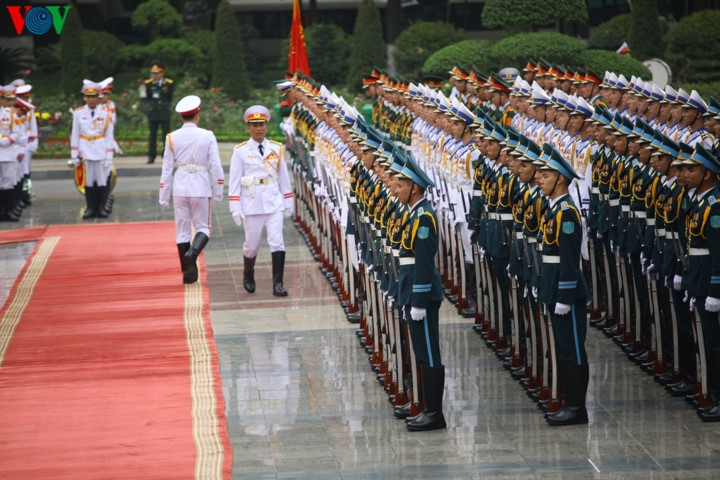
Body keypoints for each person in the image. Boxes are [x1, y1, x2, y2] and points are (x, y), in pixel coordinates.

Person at [535, 146, 590, 426]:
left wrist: (565, 295)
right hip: (554, 285)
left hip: (565, 289)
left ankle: (577, 407)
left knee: (573, 348)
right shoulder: (554, 209)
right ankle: (569, 402)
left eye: (544, 175)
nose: (538, 178)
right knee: (564, 347)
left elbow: (569, 259)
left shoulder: (566, 213)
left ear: (559, 178)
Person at [395, 154, 446, 432]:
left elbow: (424, 264)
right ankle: (428, 408)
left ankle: (434, 413)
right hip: (413, 291)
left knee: (429, 352)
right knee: (422, 351)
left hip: (422, 295)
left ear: (413, 187)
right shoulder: (414, 214)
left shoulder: (424, 218)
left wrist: (418, 300)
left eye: (400, 185)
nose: (396, 189)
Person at [159, 95, 224, 284]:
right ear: (197, 116)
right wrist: (219, 189)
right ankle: (192, 253)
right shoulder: (207, 135)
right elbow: (216, 165)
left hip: (180, 186)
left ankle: (188, 273)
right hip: (200, 186)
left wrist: (164, 196)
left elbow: (167, 168)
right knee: (204, 227)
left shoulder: (171, 137)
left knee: (182, 231)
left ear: (181, 117)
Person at [229, 105, 293, 297]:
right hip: (252, 202)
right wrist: (234, 207)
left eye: (262, 124)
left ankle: (278, 284)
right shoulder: (240, 151)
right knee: (252, 244)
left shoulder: (276, 148)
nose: (258, 128)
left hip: (273, 202)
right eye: (254, 125)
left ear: (267, 125)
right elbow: (234, 183)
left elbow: (284, 179)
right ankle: (248, 274)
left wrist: (288, 202)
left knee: (277, 242)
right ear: (249, 127)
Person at [70, 80, 114, 219]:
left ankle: (101, 208)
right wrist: (74, 154)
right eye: (88, 96)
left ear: (98, 97)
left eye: (94, 96)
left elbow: (109, 136)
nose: (91, 99)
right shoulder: (78, 113)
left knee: (101, 180)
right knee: (88, 180)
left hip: (100, 149)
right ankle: (90, 208)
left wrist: (109, 156)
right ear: (85, 97)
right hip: (85, 150)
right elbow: (75, 134)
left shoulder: (106, 113)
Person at [141, 63, 174, 164]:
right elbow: (146, 98)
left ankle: (166, 155)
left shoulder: (169, 83)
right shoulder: (148, 83)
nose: (155, 75)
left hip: (164, 111)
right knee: (152, 135)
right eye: (153, 73)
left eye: (157, 73)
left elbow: (169, 97)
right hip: (153, 112)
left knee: (166, 135)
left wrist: (166, 106)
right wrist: (149, 108)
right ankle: (151, 155)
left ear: (162, 73)